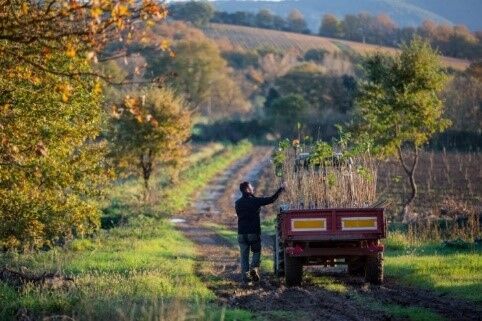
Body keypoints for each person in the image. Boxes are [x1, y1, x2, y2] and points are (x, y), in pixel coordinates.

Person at [235, 181, 285, 283]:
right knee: (256, 251)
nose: (253, 187)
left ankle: (246, 278)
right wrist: (281, 189)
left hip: (241, 234)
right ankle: (254, 267)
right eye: (251, 187)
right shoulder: (255, 201)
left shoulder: (237, 203)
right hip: (253, 233)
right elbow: (271, 199)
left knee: (244, 256)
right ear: (247, 189)